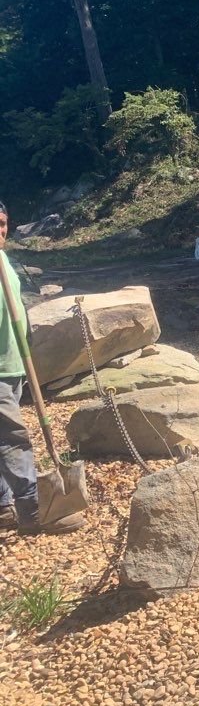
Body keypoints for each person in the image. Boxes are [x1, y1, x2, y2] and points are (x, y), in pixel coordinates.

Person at [0, 201, 42, 533]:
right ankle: (32, 508)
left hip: (13, 364)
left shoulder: (4, 260)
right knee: (13, 438)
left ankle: (3, 507)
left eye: (3, 223)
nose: (1, 230)